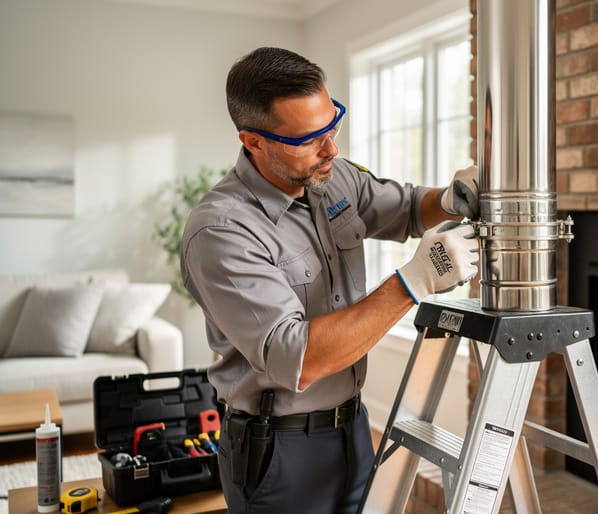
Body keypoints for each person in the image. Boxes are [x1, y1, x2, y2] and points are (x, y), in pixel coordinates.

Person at [180, 47, 480, 513]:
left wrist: (453, 198)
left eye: (332, 123)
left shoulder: (331, 176)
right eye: (309, 138)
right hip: (280, 450)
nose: (332, 149)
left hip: (353, 429)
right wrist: (416, 281)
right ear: (252, 141)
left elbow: (404, 207)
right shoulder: (222, 230)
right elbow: (299, 359)